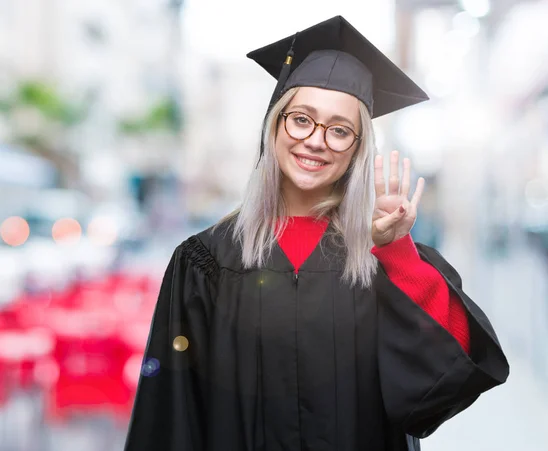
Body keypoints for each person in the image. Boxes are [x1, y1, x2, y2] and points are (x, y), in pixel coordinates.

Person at [123, 15, 509, 451]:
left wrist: (397, 252)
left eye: (340, 130)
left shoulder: (381, 257)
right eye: (301, 119)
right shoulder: (206, 262)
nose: (316, 140)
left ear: (359, 150)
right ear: (275, 125)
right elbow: (170, 414)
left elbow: (446, 381)